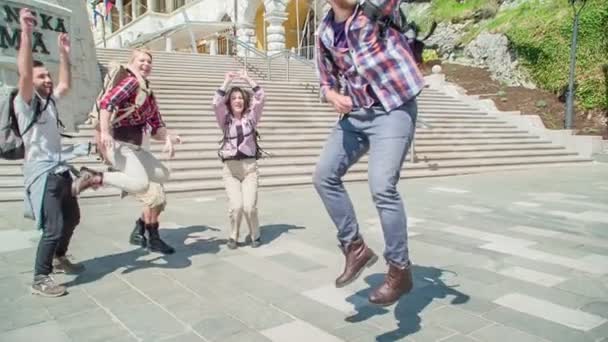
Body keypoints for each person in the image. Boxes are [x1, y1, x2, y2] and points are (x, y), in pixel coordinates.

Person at [312, 0, 424, 306]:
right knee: (324, 176)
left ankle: (400, 269)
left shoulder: (375, 10)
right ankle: (355, 248)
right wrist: (332, 95)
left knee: (382, 186)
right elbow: (325, 80)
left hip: (393, 109)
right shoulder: (323, 32)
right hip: (356, 116)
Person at [74, 48, 181, 254]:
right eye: (142, 60)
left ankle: (142, 229)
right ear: (131, 62)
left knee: (163, 175)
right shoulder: (131, 82)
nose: (146, 64)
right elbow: (107, 103)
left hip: (138, 148)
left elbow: (157, 125)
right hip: (120, 145)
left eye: (149, 61)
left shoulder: (148, 93)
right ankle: (95, 177)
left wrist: (167, 137)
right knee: (144, 187)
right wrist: (105, 133)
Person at [14, 8, 90, 297]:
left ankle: (59, 257)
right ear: (30, 82)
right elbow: (23, 73)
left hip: (59, 170)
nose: (47, 80)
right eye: (42, 76)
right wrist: (26, 32)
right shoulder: (25, 103)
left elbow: (66, 84)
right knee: (54, 227)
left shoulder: (49, 102)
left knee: (72, 219)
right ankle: (40, 277)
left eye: (48, 76)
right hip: (42, 174)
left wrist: (64, 54)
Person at [212, 70, 265, 249]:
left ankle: (255, 234)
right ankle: (233, 236)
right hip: (231, 169)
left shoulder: (251, 118)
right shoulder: (225, 120)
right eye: (234, 98)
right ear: (230, 101)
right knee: (236, 207)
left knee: (249, 207)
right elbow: (216, 103)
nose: (237, 100)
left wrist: (248, 79)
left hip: (249, 168)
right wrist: (226, 80)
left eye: (240, 98)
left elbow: (261, 97)